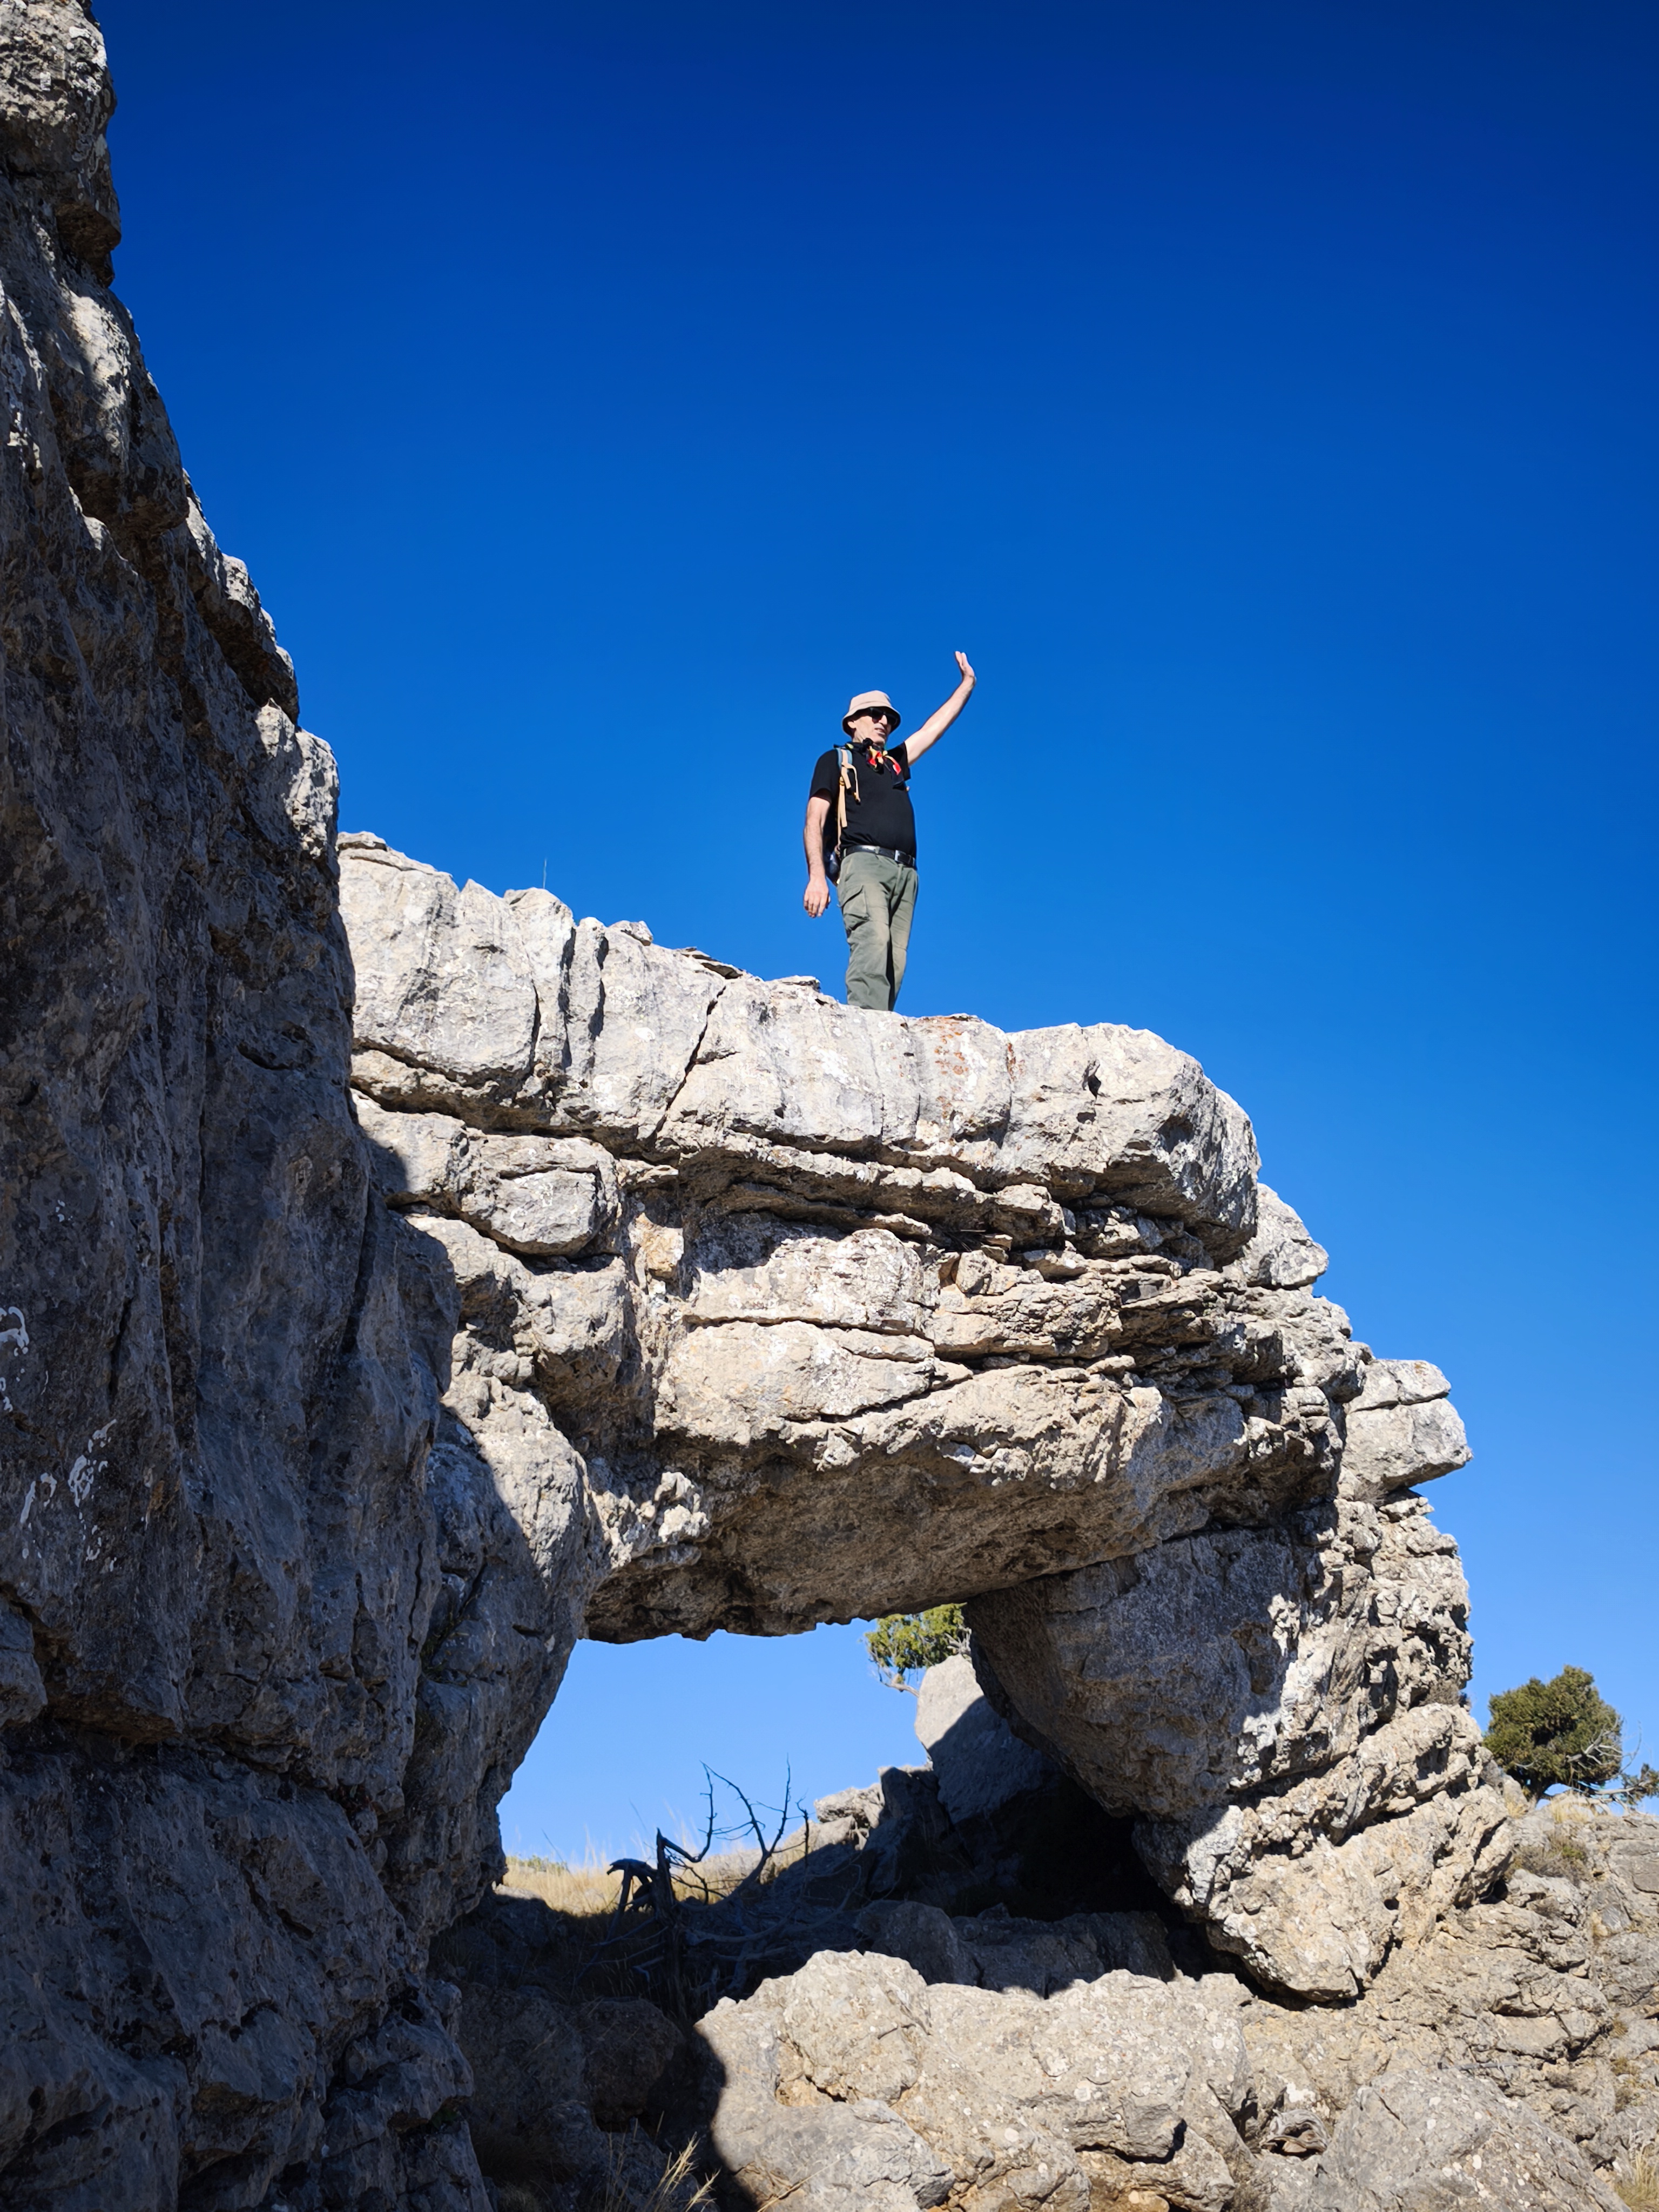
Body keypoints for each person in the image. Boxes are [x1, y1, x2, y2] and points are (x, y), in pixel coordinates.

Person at [802, 652, 976, 1011]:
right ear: (852, 722)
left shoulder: (894, 764)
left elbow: (932, 730)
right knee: (872, 940)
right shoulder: (836, 760)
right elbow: (814, 820)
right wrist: (817, 877)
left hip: (906, 873)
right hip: (863, 865)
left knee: (895, 961)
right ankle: (865, 1030)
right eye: (875, 714)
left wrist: (967, 686)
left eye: (890, 718)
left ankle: (883, 1027)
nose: (884, 722)